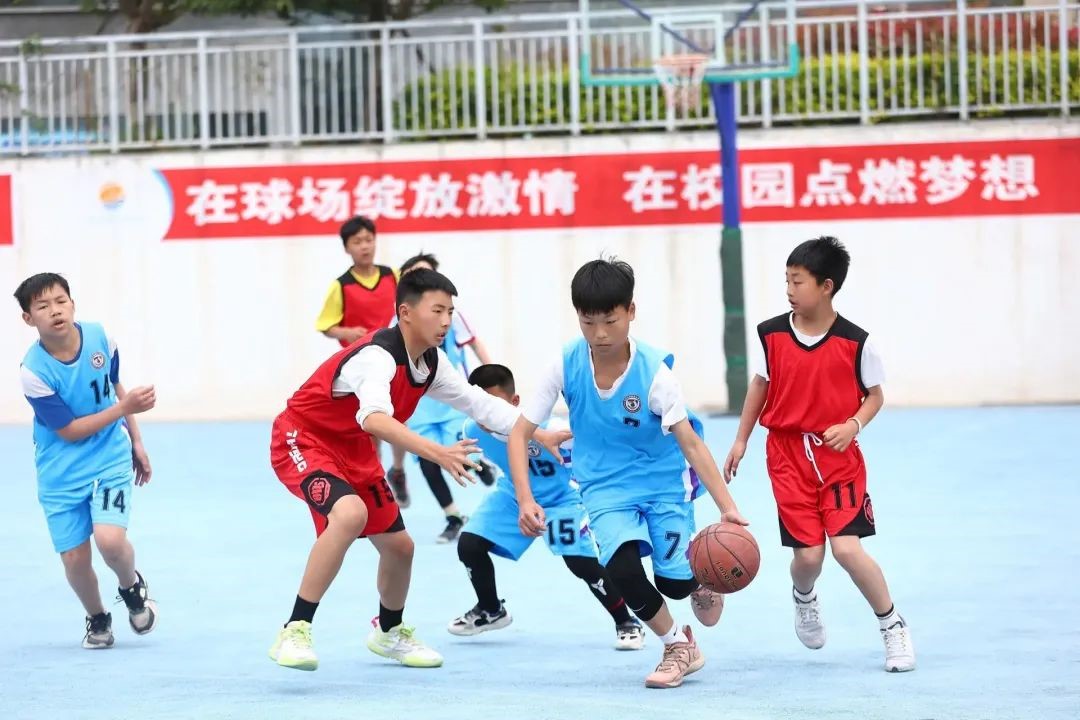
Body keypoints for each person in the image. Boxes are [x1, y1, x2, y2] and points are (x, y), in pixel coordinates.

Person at [268, 267, 568, 672]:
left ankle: (389, 631)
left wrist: (538, 432)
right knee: (350, 514)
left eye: (450, 312)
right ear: (406, 313)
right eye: (437, 311)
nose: (446, 321)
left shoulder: (431, 362)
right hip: (303, 438)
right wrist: (438, 453)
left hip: (352, 449)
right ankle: (295, 629)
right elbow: (374, 418)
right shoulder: (377, 357)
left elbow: (479, 404)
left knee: (400, 547)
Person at [507, 258, 748, 689]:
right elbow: (519, 432)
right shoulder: (565, 364)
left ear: (631, 312)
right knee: (620, 569)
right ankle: (678, 646)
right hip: (603, 487)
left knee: (673, 585)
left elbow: (691, 444)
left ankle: (697, 581)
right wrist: (526, 498)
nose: (599, 334)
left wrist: (727, 507)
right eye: (588, 322)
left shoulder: (655, 375)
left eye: (610, 321)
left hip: (662, 483)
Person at [722, 236, 915, 673]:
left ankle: (892, 624)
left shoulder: (856, 342)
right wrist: (741, 439)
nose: (789, 290)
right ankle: (804, 596)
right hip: (787, 456)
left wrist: (853, 425)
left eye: (798, 281)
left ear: (826, 286)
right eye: (786, 280)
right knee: (808, 557)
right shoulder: (772, 334)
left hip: (837, 457)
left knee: (847, 550)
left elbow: (875, 396)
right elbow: (760, 385)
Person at [448, 363, 646, 650]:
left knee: (581, 563)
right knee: (469, 545)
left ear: (515, 402)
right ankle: (491, 610)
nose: (487, 415)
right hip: (514, 495)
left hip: (562, 499)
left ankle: (626, 621)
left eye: (494, 405)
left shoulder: (552, 431)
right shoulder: (471, 428)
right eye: (480, 407)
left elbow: (600, 452)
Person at [15, 272, 158, 650]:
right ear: (28, 318)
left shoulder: (100, 338)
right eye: (43, 306)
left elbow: (115, 387)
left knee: (110, 541)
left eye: (60, 301)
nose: (55, 311)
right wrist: (125, 409)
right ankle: (97, 617)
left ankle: (131, 588)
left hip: (109, 457)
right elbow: (70, 431)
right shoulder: (33, 372)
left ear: (72, 304)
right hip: (60, 471)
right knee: (75, 559)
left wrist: (137, 440)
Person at [399, 253, 496, 543]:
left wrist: (492, 376)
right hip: (420, 407)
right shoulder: (398, 322)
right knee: (429, 461)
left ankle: (481, 465)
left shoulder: (450, 315)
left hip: (452, 401)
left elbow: (475, 344)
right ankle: (453, 516)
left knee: (464, 456)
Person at [313, 215, 408, 502]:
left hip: (395, 359)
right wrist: (346, 331)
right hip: (361, 365)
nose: (365, 246)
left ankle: (398, 470)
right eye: (357, 242)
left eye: (369, 240)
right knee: (371, 425)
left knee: (398, 422)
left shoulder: (393, 276)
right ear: (347, 248)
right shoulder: (341, 286)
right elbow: (325, 325)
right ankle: (377, 483)